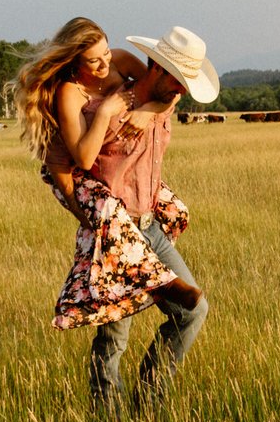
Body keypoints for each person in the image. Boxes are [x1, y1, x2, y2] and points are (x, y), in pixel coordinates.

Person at [10, 18, 201, 332]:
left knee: (173, 209)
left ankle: (157, 280)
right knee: (113, 328)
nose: (104, 64)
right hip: (86, 183)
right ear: (73, 59)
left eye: (105, 55)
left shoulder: (121, 59)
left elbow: (167, 92)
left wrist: (146, 111)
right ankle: (160, 282)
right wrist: (105, 112)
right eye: (93, 60)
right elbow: (83, 158)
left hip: (139, 207)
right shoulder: (70, 93)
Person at [76, 26, 218, 408]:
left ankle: (149, 401)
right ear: (154, 66)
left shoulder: (163, 98)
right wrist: (115, 115)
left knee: (193, 310)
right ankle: (108, 420)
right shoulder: (110, 102)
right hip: (117, 234)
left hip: (150, 228)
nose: (182, 91)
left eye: (187, 83)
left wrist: (154, 107)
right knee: (114, 338)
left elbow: (166, 99)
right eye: (178, 80)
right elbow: (79, 162)